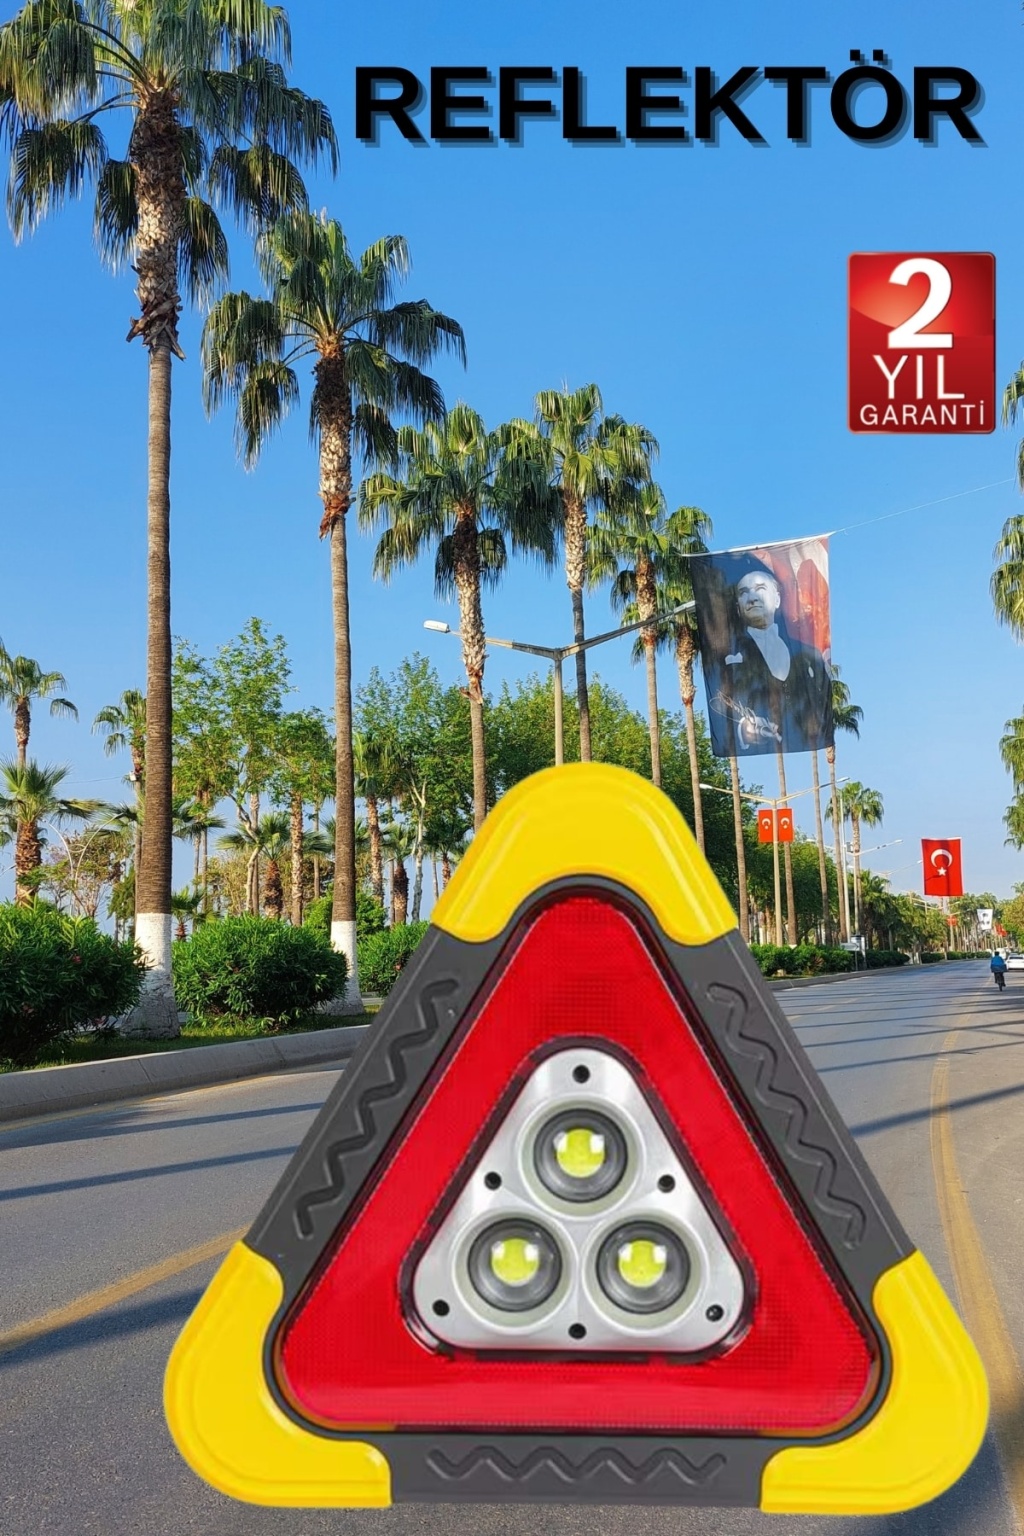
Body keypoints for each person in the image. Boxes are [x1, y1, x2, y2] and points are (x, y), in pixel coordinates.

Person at [704, 555, 834, 756]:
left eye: (760, 589)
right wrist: (743, 730)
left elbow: (821, 705)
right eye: (744, 593)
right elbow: (718, 707)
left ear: (778, 599)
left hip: (802, 742)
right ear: (738, 607)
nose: (752, 598)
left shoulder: (808, 654)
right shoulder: (724, 657)